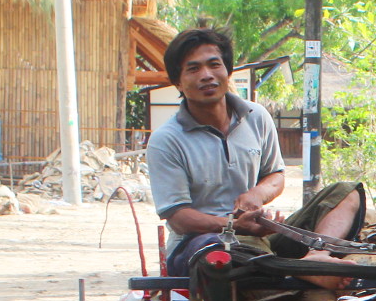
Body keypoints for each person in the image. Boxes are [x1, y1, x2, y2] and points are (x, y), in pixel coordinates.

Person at [147, 26, 359, 287]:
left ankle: (316, 256)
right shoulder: (166, 140)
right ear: (178, 83)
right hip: (201, 242)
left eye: (215, 65)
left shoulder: (256, 117)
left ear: (227, 71)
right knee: (217, 253)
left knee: (347, 192)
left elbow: (275, 175)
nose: (207, 76)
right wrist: (233, 226)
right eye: (193, 69)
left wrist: (257, 194)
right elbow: (179, 219)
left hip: (260, 235)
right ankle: (296, 269)